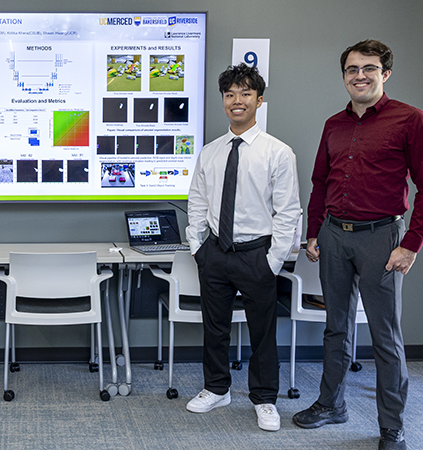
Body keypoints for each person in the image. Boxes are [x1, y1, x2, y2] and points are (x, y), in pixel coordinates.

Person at [292, 39, 423, 450]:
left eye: (369, 68)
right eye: (352, 69)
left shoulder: (411, 120)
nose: (360, 75)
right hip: (334, 236)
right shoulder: (333, 125)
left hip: (382, 238)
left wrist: (411, 244)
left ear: (385, 73)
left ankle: (392, 426)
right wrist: (314, 231)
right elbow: (320, 182)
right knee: (335, 328)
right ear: (344, 76)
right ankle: (330, 404)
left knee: (384, 336)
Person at [185, 64, 301, 431]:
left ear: (259, 101)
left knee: (262, 332)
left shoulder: (278, 153)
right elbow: (197, 201)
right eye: (230, 94)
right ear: (223, 101)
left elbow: (289, 211)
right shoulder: (210, 152)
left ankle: (265, 399)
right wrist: (197, 247)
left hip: (257, 256)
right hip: (216, 253)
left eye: (245, 94)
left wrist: (272, 261)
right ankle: (216, 388)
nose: (237, 101)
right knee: (214, 328)